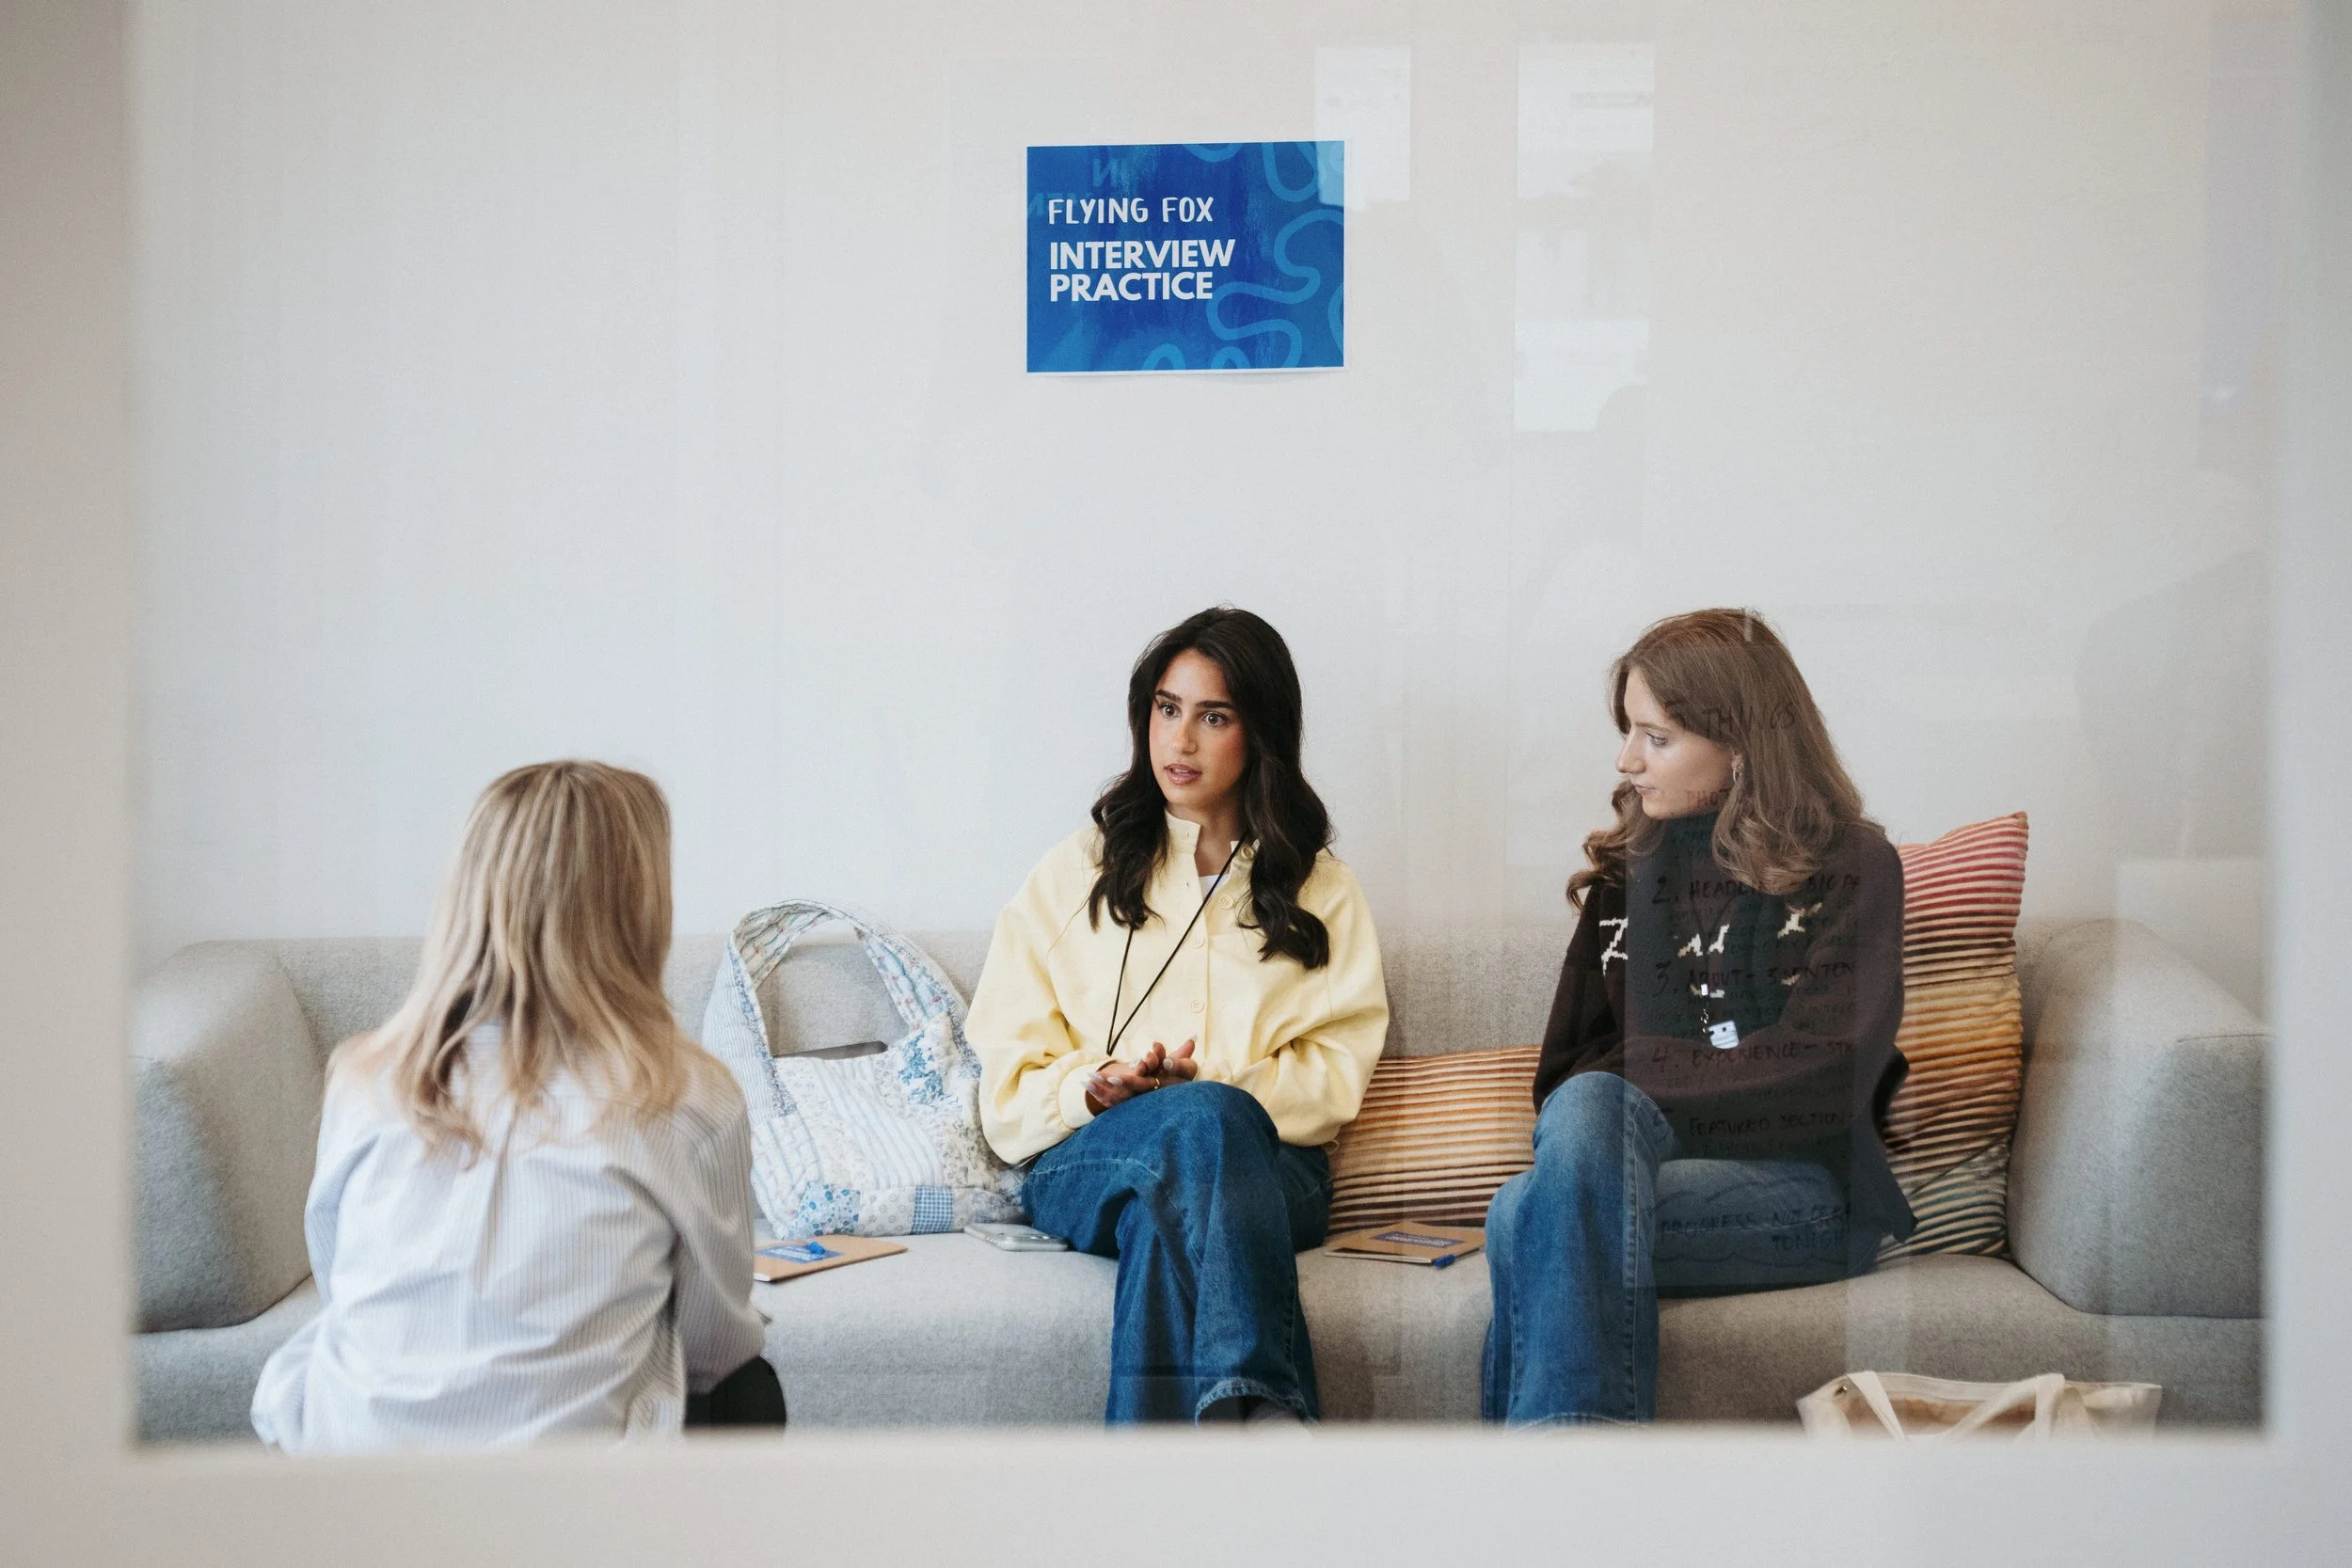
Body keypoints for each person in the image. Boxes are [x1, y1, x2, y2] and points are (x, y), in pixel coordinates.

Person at [251, 761, 782, 1449]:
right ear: (639, 907)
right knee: (750, 1388)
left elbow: (340, 1282)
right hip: (561, 1508)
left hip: (353, 1484)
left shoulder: (365, 1077)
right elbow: (716, 1347)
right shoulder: (683, 1097)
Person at [1483, 609, 1915, 1428]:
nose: (1625, 759)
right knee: (1554, 1170)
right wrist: (1664, 1076)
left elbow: (1825, 1073)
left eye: (1656, 736)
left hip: (1808, 1195)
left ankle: (1547, 1498)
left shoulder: (1853, 866)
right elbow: (1566, 1075)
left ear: (1741, 746)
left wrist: (1648, 1070)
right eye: (1628, 732)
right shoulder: (1627, 870)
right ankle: (1579, 1480)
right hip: (1634, 1169)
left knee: (1526, 1214)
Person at [966, 607, 1390, 1425]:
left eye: (1213, 715)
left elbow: (1336, 1082)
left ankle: (1146, 1510)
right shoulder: (1073, 873)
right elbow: (1005, 1089)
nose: (1180, 740)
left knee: (1194, 1156)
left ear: (1260, 733)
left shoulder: (1322, 888)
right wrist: (1094, 1087)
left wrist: (1212, 1086)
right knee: (1194, 1129)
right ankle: (1261, 1410)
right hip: (1087, 1160)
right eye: (1167, 708)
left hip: (1275, 1173)